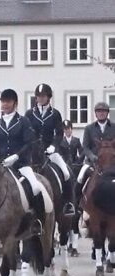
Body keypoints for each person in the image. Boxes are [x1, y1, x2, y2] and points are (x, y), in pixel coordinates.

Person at [0, 88, 44, 235]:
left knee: (35, 187)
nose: (5, 104)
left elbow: (29, 143)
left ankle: (38, 221)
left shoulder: (23, 121)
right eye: (3, 101)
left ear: (14, 103)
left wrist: (16, 156)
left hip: (21, 165)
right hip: (2, 166)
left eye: (8, 101)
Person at [24, 83, 74, 216]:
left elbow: (59, 133)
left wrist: (53, 146)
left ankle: (68, 203)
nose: (40, 98)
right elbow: (26, 133)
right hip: (33, 152)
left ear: (48, 97)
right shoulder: (29, 114)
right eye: (38, 96)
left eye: (43, 96)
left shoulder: (55, 114)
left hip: (50, 150)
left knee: (66, 172)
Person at [74, 101, 115, 212]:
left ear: (107, 113)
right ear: (95, 113)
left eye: (103, 111)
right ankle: (76, 205)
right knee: (80, 178)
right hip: (93, 162)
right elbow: (85, 147)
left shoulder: (114, 127)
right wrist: (92, 156)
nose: (101, 113)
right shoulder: (89, 128)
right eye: (99, 111)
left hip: (111, 163)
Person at [60, 119, 84, 256]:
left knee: (82, 177)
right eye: (65, 129)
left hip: (75, 166)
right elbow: (59, 153)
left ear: (71, 129)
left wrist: (78, 161)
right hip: (64, 166)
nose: (67, 131)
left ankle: (81, 200)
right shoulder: (61, 141)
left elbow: (82, 152)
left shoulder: (76, 140)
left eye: (68, 128)